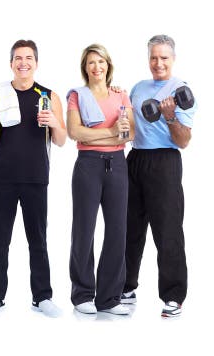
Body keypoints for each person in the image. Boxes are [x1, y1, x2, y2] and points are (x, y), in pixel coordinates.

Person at [0, 39, 66, 319]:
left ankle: (43, 297)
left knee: (38, 240)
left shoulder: (49, 95)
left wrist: (55, 123)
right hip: (3, 178)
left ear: (36, 62)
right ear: (11, 63)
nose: (23, 63)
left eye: (28, 58)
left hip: (36, 178)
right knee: (0, 239)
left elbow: (60, 140)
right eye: (18, 58)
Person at [122, 35, 196, 318]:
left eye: (164, 57)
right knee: (130, 227)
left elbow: (184, 141)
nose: (158, 63)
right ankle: (126, 286)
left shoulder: (181, 90)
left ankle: (173, 295)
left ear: (173, 59)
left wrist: (169, 117)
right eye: (154, 57)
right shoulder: (139, 87)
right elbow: (126, 121)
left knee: (167, 230)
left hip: (165, 160)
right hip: (135, 158)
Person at [66, 44, 132, 315]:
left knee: (117, 231)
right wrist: (112, 132)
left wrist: (97, 133)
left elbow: (129, 135)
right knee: (84, 230)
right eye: (91, 63)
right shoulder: (77, 96)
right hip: (88, 166)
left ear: (108, 65)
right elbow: (73, 132)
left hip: (117, 165)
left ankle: (109, 298)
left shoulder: (121, 95)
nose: (96, 67)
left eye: (101, 62)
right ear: (85, 68)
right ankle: (83, 294)